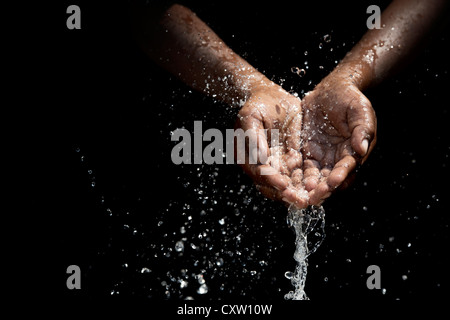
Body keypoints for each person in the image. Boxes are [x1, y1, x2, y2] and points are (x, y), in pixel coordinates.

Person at [131, 0, 448, 209]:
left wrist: (353, 75)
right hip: (197, 84)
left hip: (386, 87)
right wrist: (250, 86)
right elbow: (143, 6)